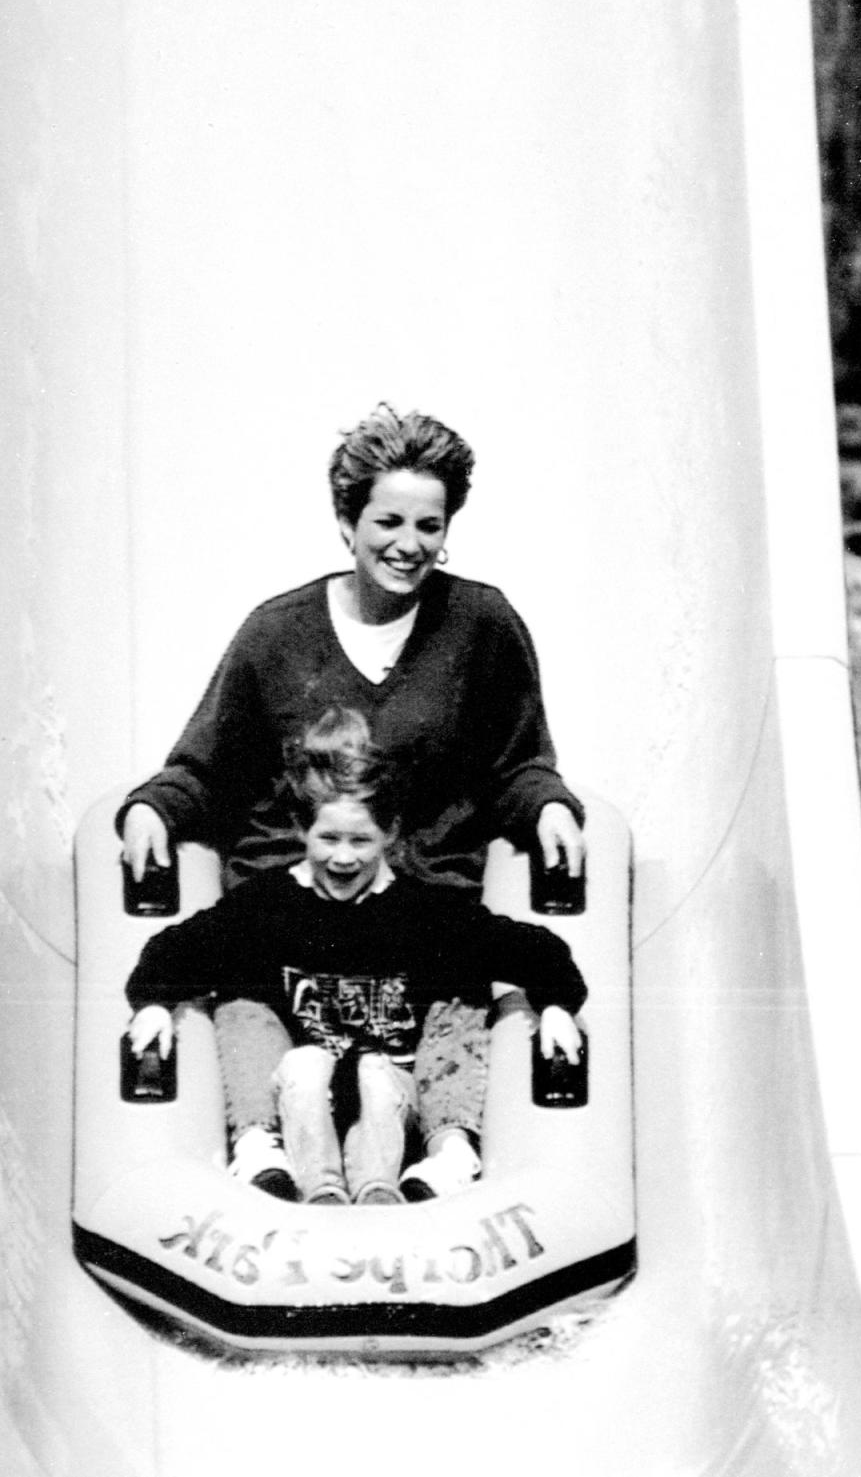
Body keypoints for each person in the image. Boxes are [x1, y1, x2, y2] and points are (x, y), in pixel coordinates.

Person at [118, 402, 585, 1196]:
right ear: (347, 519)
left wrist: (546, 804)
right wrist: (152, 808)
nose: (408, 544)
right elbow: (208, 766)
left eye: (430, 525)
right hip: (292, 930)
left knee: (450, 1013)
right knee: (253, 1013)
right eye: (388, 519)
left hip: (418, 916)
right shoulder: (277, 635)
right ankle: (264, 1151)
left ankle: (437, 1148)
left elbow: (520, 761)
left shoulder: (482, 626)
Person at [125, 708, 586, 1206]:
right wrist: (153, 1004)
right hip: (300, 1098)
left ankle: (447, 1153)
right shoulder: (267, 906)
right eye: (329, 838)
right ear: (302, 829)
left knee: (458, 1006)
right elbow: (176, 949)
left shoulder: (424, 911)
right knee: (244, 1009)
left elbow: (534, 950)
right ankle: (262, 1149)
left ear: (389, 833)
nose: (343, 857)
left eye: (361, 840)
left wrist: (557, 1006)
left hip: (396, 1099)